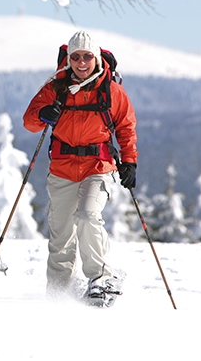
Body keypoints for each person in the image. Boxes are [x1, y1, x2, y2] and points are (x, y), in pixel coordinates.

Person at [22, 30, 138, 301]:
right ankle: (58, 294)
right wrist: (43, 114)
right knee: (61, 235)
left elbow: (126, 127)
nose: (82, 62)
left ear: (96, 58)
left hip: (98, 166)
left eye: (87, 56)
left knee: (87, 216)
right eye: (76, 57)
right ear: (69, 59)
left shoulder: (111, 90)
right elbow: (29, 122)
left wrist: (130, 161)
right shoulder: (56, 87)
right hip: (62, 169)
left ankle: (101, 277)